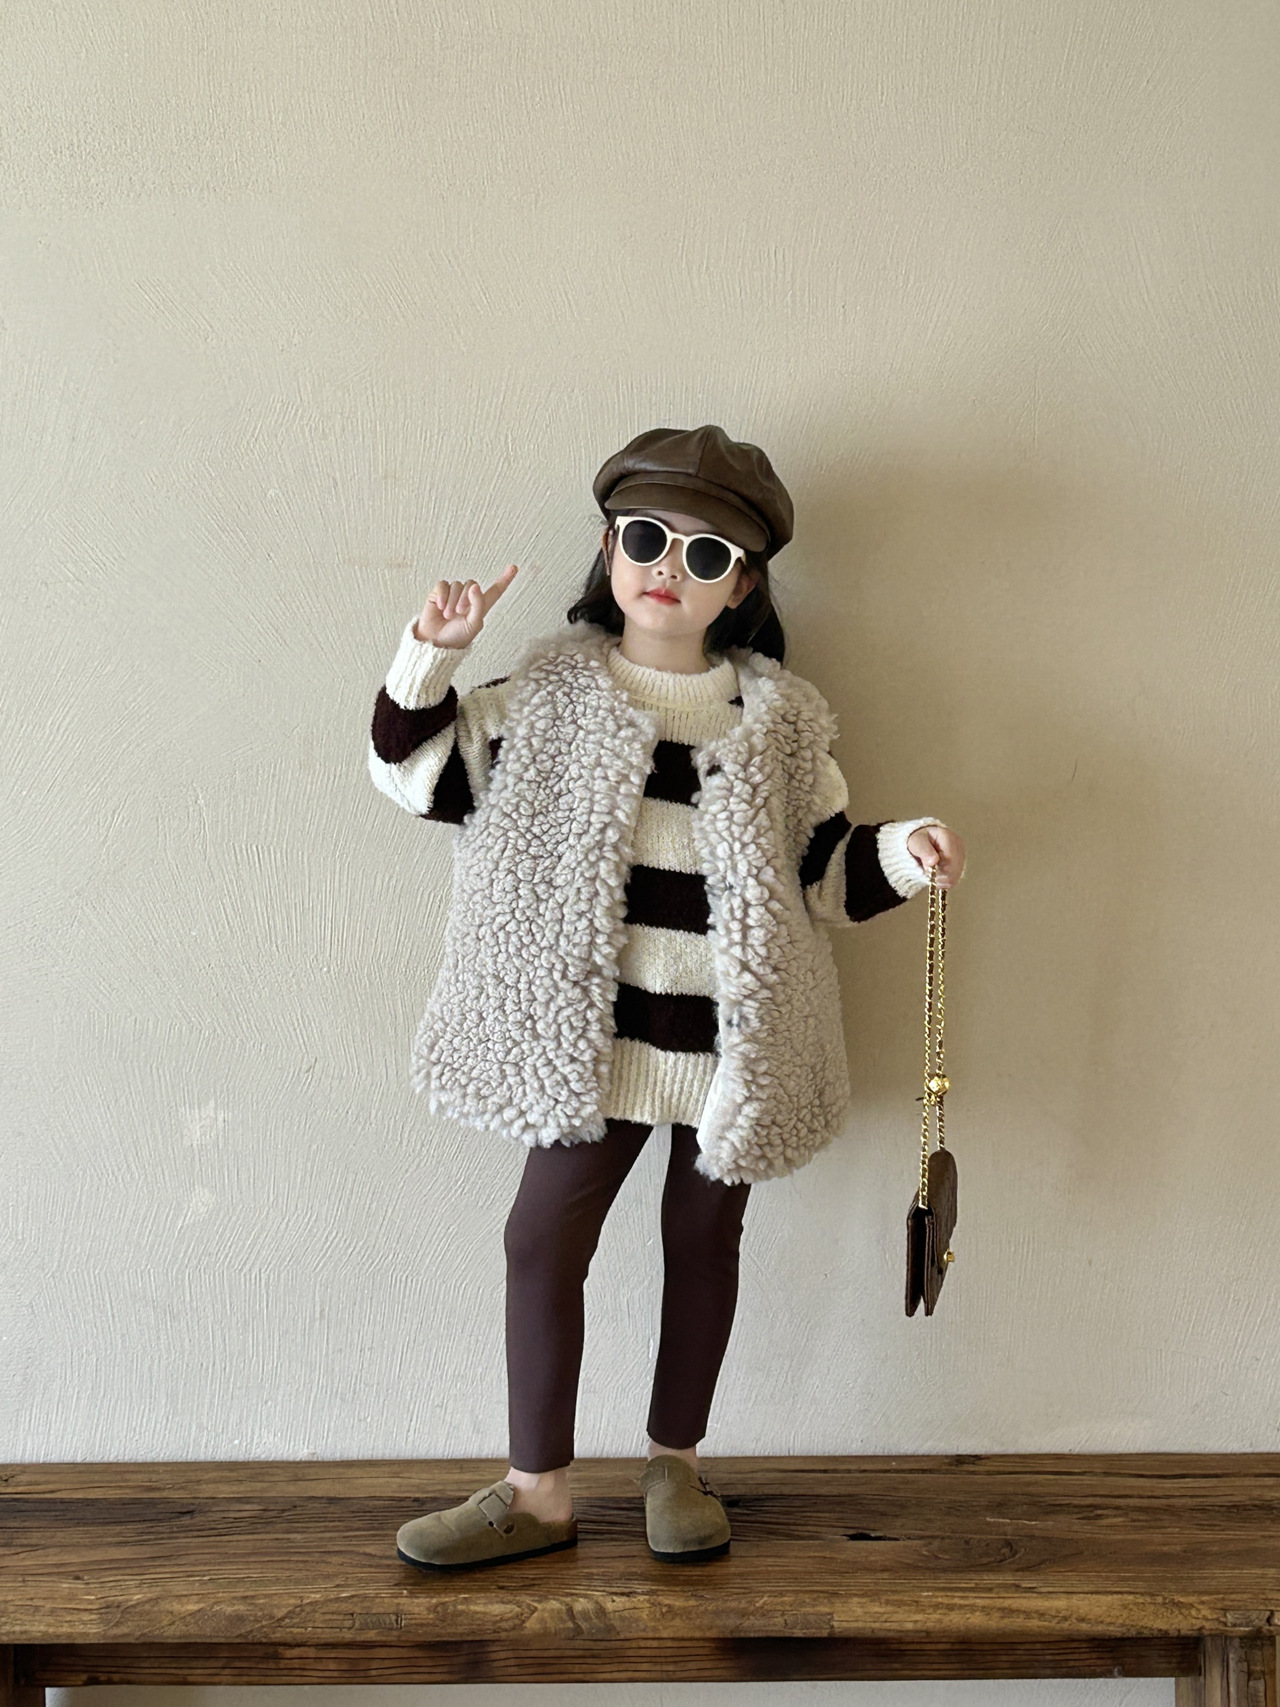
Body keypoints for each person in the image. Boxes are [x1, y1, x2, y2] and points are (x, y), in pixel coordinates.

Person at [367, 424, 966, 1571]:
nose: (666, 569)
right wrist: (428, 658)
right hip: (586, 1048)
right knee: (539, 1240)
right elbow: (417, 774)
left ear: (741, 587)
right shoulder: (541, 696)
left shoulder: (781, 726)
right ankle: (536, 1491)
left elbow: (824, 873)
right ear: (607, 551)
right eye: (645, 539)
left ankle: (674, 1465)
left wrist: (904, 852)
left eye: (705, 555)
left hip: (731, 1054)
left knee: (702, 1244)